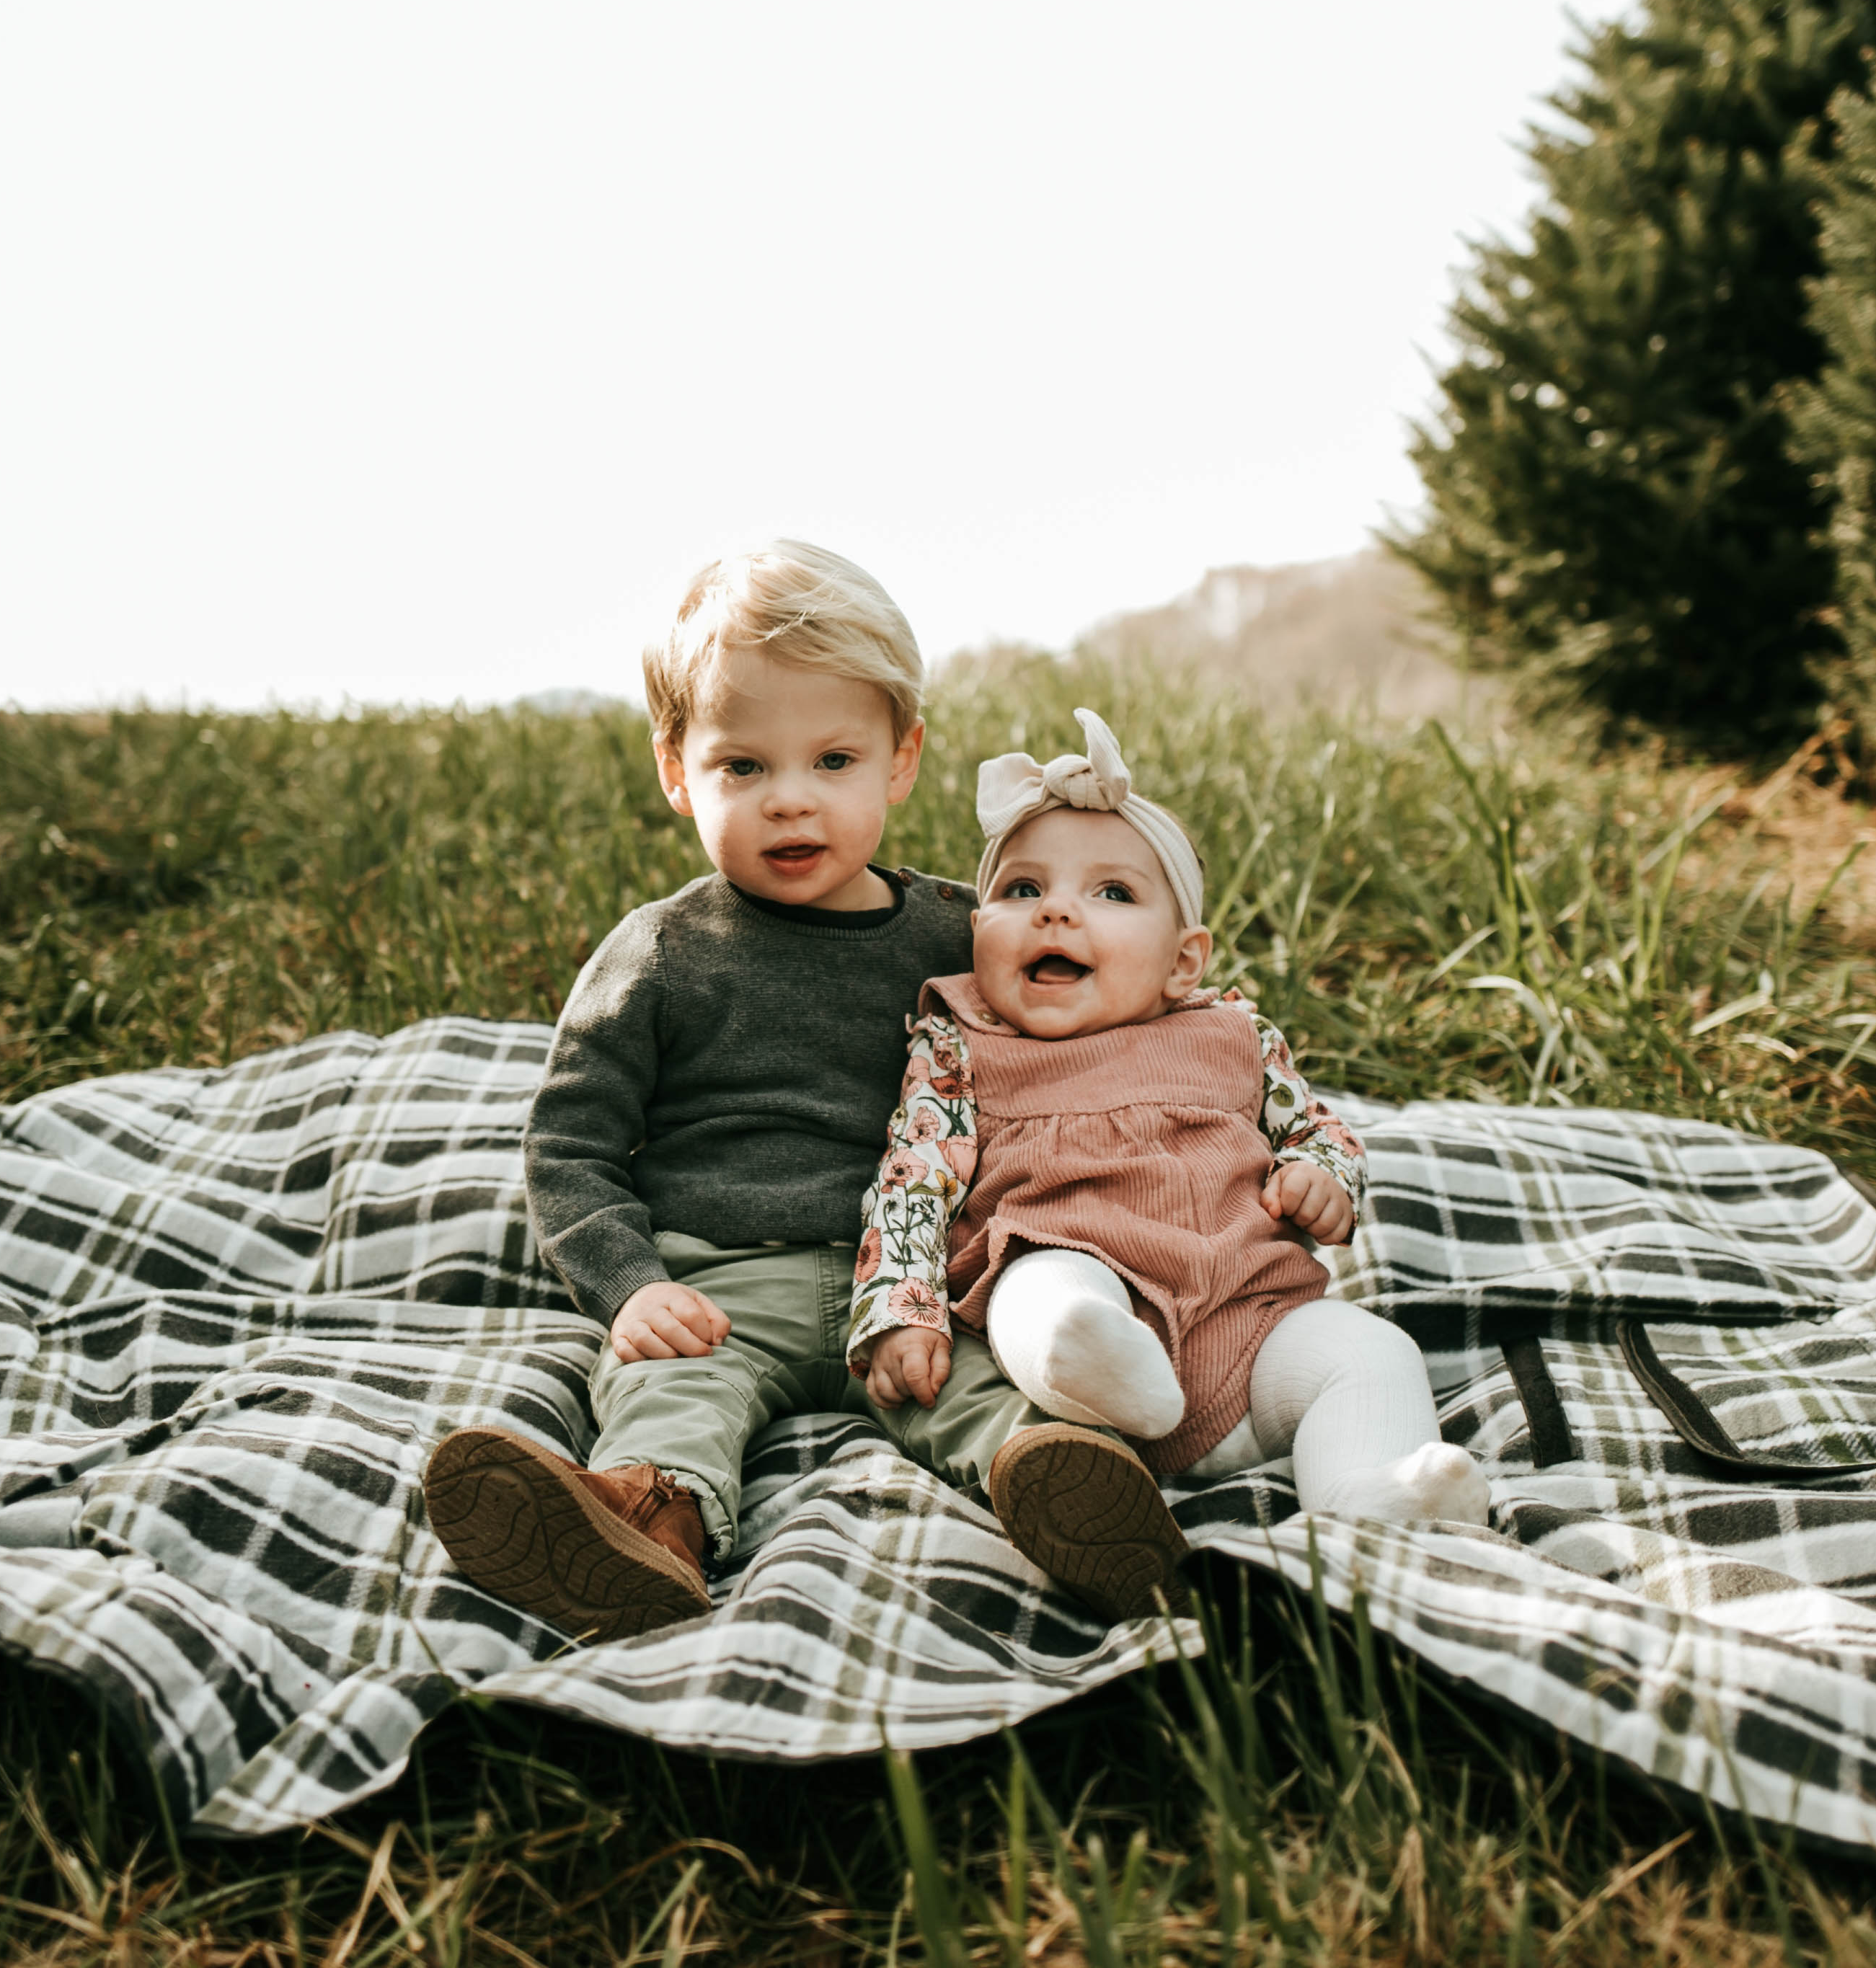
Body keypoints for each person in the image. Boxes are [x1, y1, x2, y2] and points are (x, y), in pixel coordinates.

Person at [422, 546, 1175, 1638]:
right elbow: (570, 1146)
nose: (792, 803)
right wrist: (629, 1286)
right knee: (669, 1391)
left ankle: (1076, 1499)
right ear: (677, 769)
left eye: (833, 760)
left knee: (1014, 1386)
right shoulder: (662, 954)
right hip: (724, 1281)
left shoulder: (960, 932)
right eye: (744, 768)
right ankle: (648, 1527)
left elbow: (1081, 1020)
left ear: (900, 760)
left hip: (927, 1281)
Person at [849, 708, 1490, 1618]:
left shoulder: (1232, 1035)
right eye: (1024, 889)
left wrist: (1324, 1181)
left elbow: (1319, 1130)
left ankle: (1370, 1499)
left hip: (1251, 1325)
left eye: (1112, 894)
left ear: (1184, 963)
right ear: (978, 930)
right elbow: (913, 1180)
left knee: (1371, 1352)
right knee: (1046, 1291)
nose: (1059, 910)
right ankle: (1097, 1365)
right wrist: (901, 1310)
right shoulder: (960, 1041)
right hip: (1077, 1279)